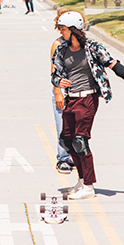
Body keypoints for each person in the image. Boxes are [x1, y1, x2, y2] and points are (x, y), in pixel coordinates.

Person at [51, 11, 124, 199]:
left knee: (80, 140)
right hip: (70, 99)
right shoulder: (61, 49)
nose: (61, 32)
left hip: (88, 99)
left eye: (63, 29)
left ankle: (89, 186)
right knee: (66, 140)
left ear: (74, 30)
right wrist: (59, 82)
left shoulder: (93, 48)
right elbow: (54, 75)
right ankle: (82, 181)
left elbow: (115, 65)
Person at [50, 9, 76, 174]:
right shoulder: (57, 44)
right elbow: (54, 71)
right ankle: (63, 159)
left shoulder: (79, 44)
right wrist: (58, 92)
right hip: (63, 92)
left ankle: (72, 156)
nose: (60, 29)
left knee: (76, 127)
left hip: (78, 91)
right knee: (62, 125)